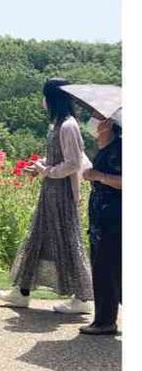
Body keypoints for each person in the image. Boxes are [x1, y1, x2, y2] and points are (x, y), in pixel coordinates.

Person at [0, 79, 93, 314]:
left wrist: (47, 171)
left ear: (51, 99)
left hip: (61, 194)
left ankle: (82, 297)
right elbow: (61, 160)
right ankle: (22, 291)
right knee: (36, 239)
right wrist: (41, 166)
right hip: (51, 191)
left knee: (68, 241)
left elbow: (73, 163)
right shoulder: (59, 125)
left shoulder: (68, 126)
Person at [80, 117, 122, 335]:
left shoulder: (120, 148)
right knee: (104, 268)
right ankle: (103, 318)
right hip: (101, 217)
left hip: (114, 217)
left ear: (108, 124)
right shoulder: (105, 149)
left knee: (107, 269)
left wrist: (99, 176)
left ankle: (105, 320)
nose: (93, 121)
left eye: (98, 117)